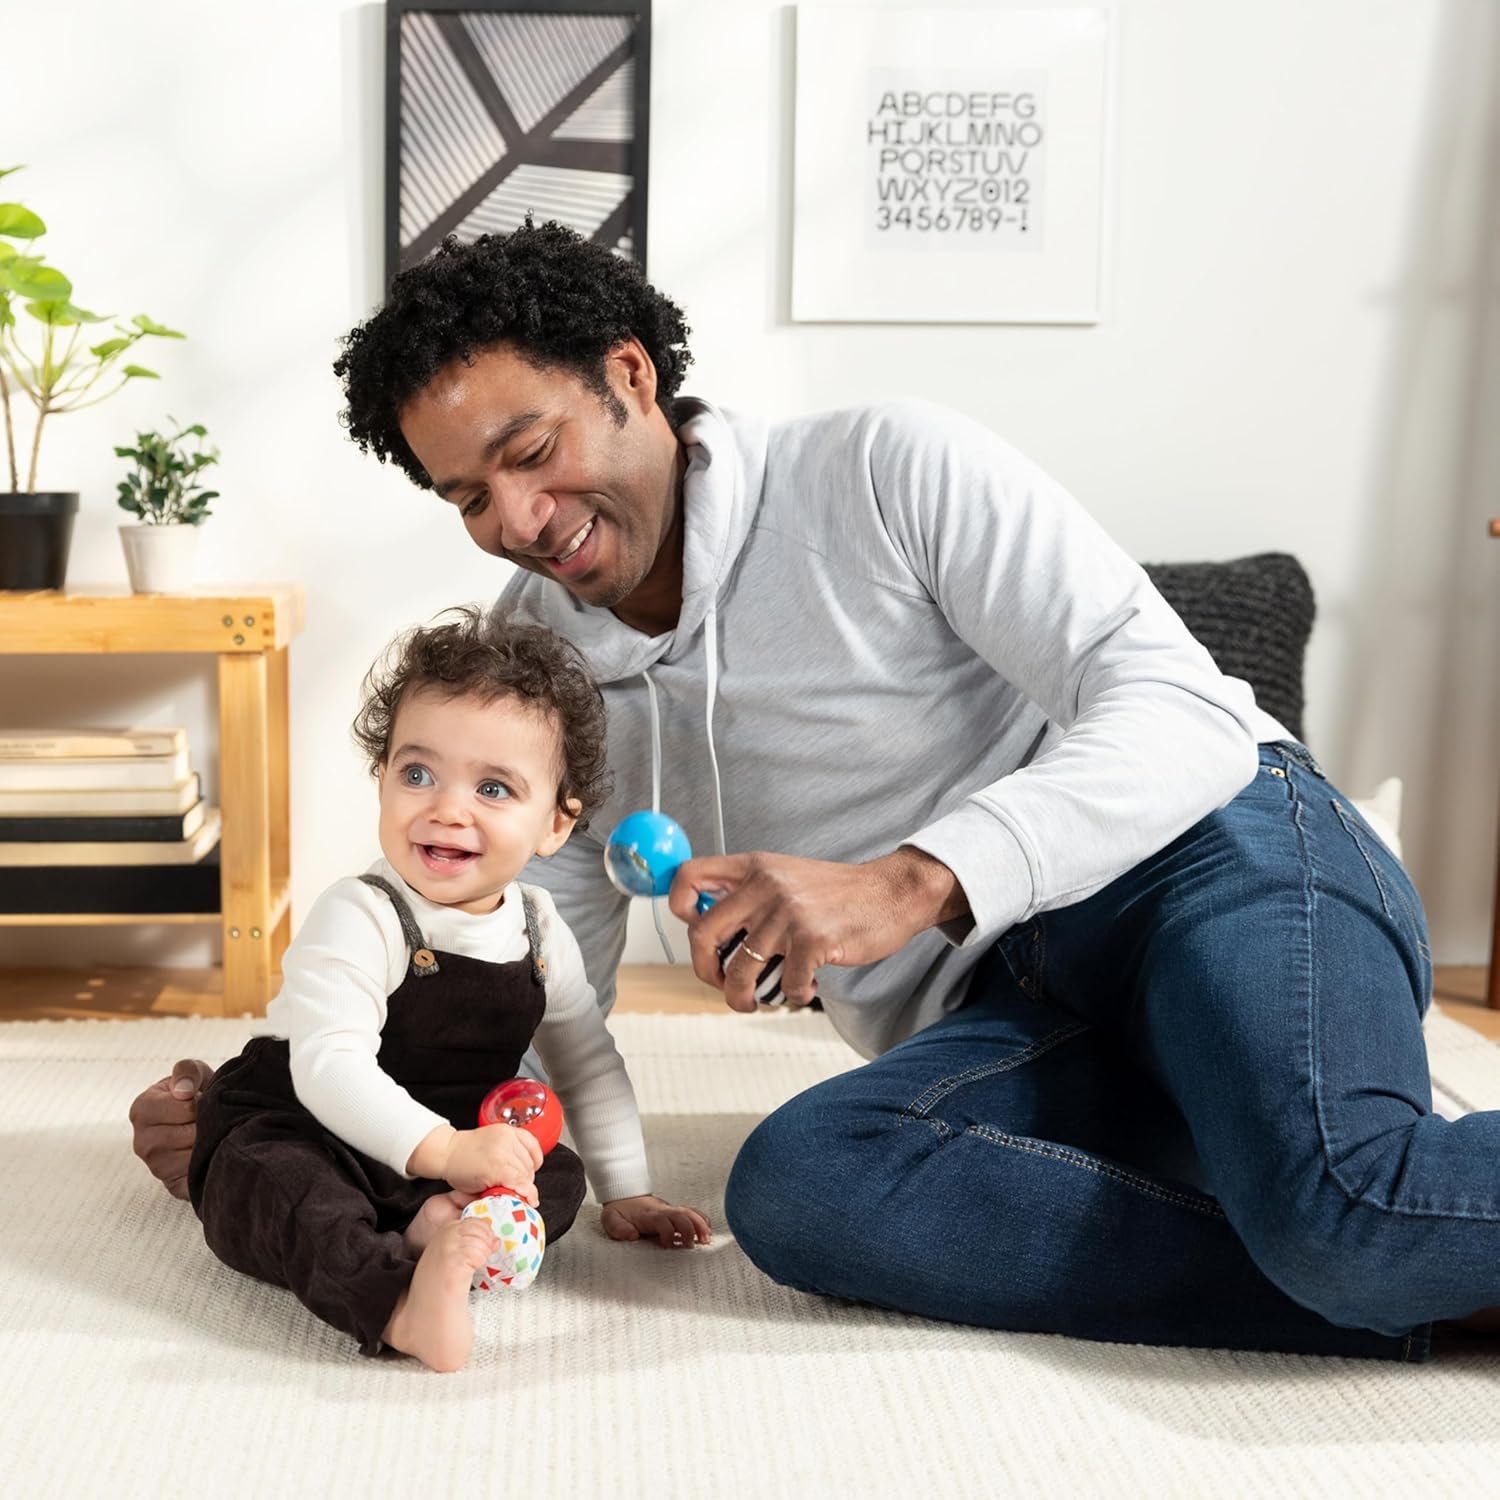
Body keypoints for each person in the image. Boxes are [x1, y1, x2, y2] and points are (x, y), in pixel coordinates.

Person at [134, 220, 1486, 1363]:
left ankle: (1358, 1240)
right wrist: (276, 1120)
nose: (519, 520)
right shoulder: (532, 670)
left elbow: (1184, 712)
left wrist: (912, 881)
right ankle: (1387, 1267)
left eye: (532, 451)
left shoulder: (887, 469)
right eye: (469, 496)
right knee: (804, 1191)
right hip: (1008, 1011)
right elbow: (523, 981)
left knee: (1344, 1211)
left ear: (629, 375)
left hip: (1209, 856)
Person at [182, 606, 710, 1373]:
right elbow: (329, 1066)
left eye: (493, 788)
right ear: (383, 779)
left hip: (443, 1146)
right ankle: (395, 1305)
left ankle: (426, 1225)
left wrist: (627, 1190)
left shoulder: (539, 927)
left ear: (556, 825)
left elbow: (587, 1063)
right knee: (284, 1191)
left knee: (554, 1175)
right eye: (417, 774)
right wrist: (451, 1150)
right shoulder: (362, 912)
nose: (447, 809)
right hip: (304, 1122)